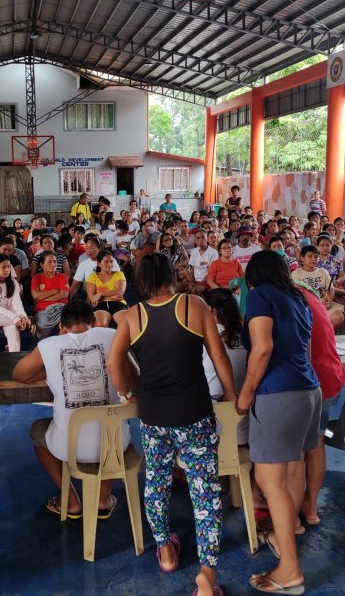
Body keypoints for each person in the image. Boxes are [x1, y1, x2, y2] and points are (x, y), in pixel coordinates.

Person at [108, 254, 234, 596]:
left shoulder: (133, 316)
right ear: (171, 277)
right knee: (204, 490)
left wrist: (127, 391)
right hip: (194, 412)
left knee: (157, 482)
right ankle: (207, 575)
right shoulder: (193, 305)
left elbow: (113, 361)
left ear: (143, 283)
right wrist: (233, 397)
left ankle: (165, 551)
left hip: (153, 415)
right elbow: (219, 355)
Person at [236, 250, 321, 594]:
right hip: (307, 389)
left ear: (253, 277)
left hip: (278, 394)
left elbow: (262, 349)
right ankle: (286, 542)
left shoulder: (260, 296)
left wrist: (245, 393)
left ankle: (290, 569)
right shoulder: (298, 297)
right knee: (287, 474)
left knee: (269, 480)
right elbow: (307, 347)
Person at [12, 301, 132, 517]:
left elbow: (19, 374)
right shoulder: (111, 336)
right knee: (114, 421)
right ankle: (103, 499)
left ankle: (70, 501)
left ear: (61, 327)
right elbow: (134, 378)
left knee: (37, 431)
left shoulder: (49, 345)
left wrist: (51, 372)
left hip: (68, 447)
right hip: (114, 445)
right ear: (94, 322)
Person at [293, 284, 345, 526]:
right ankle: (311, 509)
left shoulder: (286, 301)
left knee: (295, 451)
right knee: (316, 443)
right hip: (331, 377)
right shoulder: (307, 295)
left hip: (312, 382)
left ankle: (291, 518)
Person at [0, 253, 30, 352]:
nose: (7, 270)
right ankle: (23, 323)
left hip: (10, 318)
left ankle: (14, 358)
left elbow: (17, 303)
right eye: (3, 267)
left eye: (8, 267)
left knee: (13, 328)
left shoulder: (14, 283)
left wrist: (23, 316)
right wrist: (16, 318)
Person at [292, 245, 345, 330]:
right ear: (302, 258)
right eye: (310, 256)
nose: (313, 259)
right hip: (306, 306)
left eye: (316, 256)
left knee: (338, 317)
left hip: (324, 304)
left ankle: (326, 338)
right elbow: (296, 294)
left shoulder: (323, 272)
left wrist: (329, 300)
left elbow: (331, 288)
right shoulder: (296, 273)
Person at [31, 251, 69, 338]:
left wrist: (43, 298)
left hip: (62, 308)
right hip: (43, 311)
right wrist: (55, 291)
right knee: (42, 322)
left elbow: (64, 295)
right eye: (49, 262)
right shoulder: (37, 278)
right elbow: (36, 295)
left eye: (55, 261)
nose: (53, 264)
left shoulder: (63, 276)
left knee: (69, 321)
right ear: (42, 265)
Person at [86, 250, 127, 327]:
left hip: (118, 303)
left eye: (111, 261)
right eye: (106, 262)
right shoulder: (92, 276)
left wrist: (100, 294)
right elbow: (92, 298)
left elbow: (119, 291)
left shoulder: (119, 274)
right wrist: (112, 297)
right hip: (100, 304)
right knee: (100, 324)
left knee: (125, 324)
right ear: (99, 264)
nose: (110, 264)